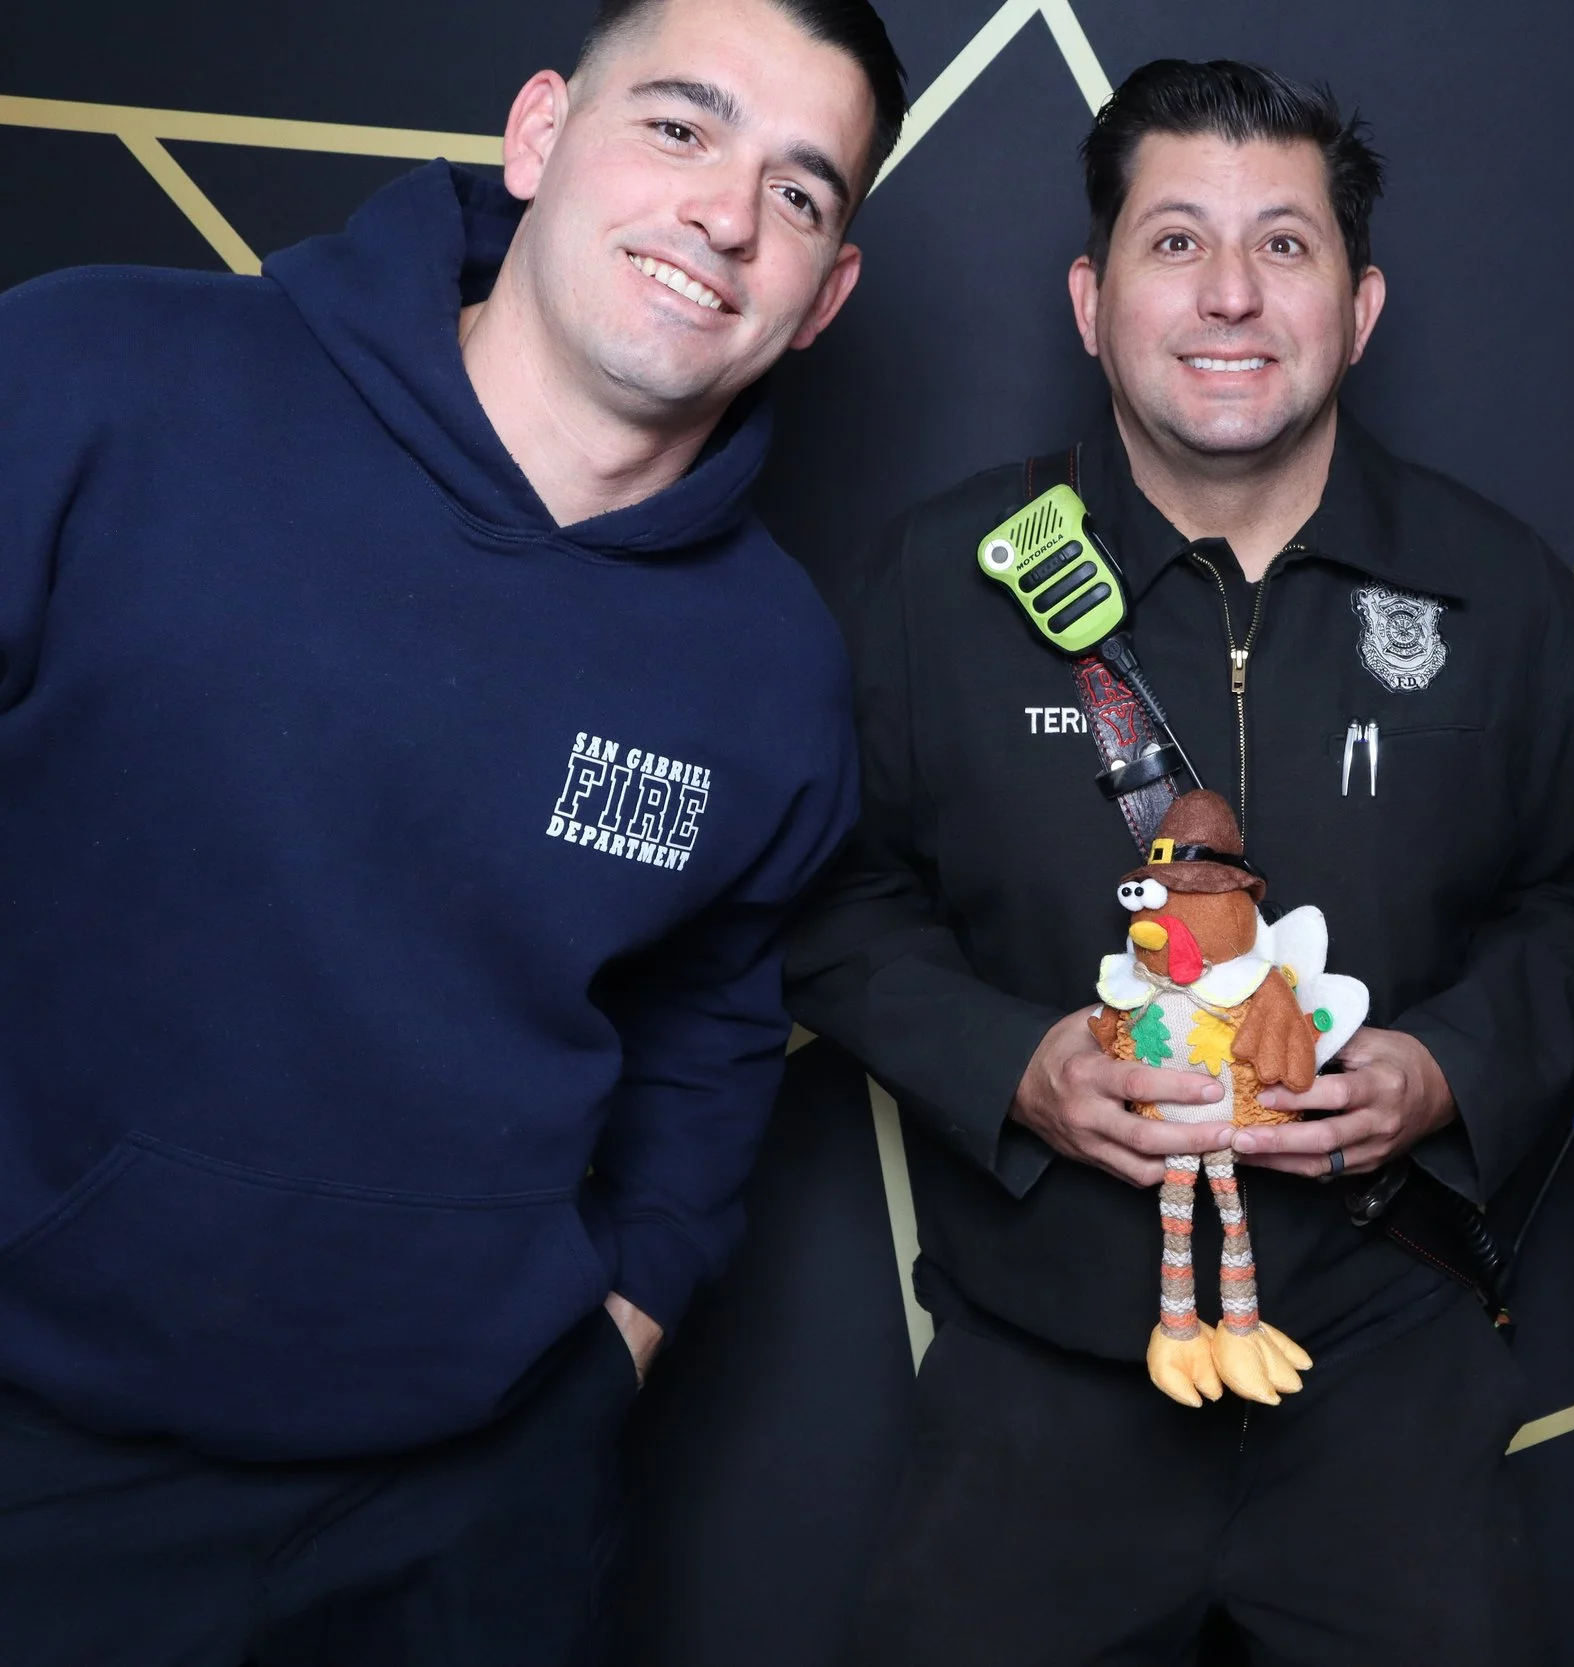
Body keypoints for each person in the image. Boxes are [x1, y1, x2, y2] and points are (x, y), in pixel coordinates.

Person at [0, 0, 899, 1658]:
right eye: (682, 128)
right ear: (542, 134)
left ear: (825, 292)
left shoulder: (775, 670)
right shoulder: (94, 378)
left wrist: (618, 1331)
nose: (724, 214)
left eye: (799, 192)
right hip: (49, 1461)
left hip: (480, 1508)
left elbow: (710, 1029)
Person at [785, 57, 1574, 1667]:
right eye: (1175, 243)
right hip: (1036, 1385)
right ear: (1090, 299)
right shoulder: (934, 583)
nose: (1232, 295)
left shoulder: (1502, 592)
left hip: (1393, 1376)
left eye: (1287, 246)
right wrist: (1016, 1064)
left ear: (1363, 305)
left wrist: (1446, 1069)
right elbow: (835, 902)